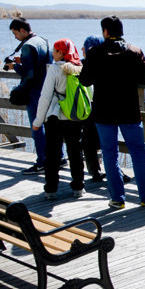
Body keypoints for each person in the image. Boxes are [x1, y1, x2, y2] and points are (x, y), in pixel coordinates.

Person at [79, 16, 145, 209]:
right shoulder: (135, 51)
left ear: (105, 31)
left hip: (103, 111)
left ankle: (117, 198)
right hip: (129, 110)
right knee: (138, 153)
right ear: (121, 31)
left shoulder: (94, 52)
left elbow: (84, 80)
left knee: (109, 154)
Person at [32, 39, 85, 200]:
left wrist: (37, 121)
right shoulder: (79, 68)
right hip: (74, 116)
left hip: (55, 117)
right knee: (75, 152)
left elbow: (45, 96)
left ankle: (51, 189)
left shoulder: (55, 69)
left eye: (55, 51)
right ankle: (78, 186)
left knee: (52, 154)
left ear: (61, 53)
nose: (52, 54)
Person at [80, 35, 131, 185]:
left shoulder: (91, 62)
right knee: (104, 142)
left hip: (97, 108)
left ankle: (99, 172)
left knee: (92, 141)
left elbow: (85, 79)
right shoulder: (110, 60)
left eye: (84, 46)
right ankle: (110, 172)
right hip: (112, 107)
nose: (81, 49)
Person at [5, 18, 53, 175]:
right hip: (46, 89)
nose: (15, 37)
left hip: (33, 92)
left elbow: (29, 74)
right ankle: (58, 157)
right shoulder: (42, 40)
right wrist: (23, 61)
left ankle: (41, 162)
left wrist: (14, 66)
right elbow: (43, 64)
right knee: (50, 126)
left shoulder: (27, 46)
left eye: (15, 34)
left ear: (22, 31)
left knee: (36, 127)